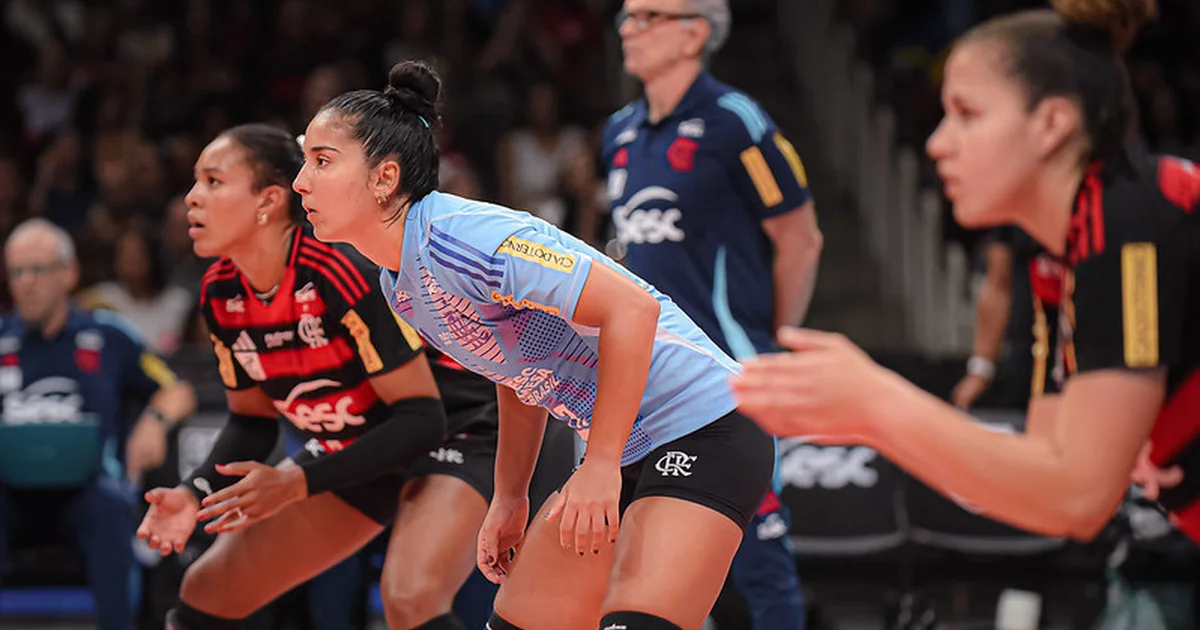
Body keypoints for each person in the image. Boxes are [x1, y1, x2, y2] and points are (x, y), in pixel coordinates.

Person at [293, 59, 775, 630]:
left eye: (321, 161)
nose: (301, 181)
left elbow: (632, 309)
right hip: (623, 451)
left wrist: (597, 468)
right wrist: (510, 495)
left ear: (384, 178)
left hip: (707, 429)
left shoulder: (464, 237)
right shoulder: (400, 283)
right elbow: (513, 368)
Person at [732, 0, 1200, 542]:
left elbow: (1079, 497)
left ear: (1050, 123)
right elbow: (1044, 485)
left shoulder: (1127, 220)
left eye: (966, 114)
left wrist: (877, 402)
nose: (937, 144)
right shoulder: (1061, 258)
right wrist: (869, 418)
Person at [136, 123, 500, 630]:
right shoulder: (219, 293)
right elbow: (253, 421)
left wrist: (295, 481)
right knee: (207, 590)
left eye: (214, 182)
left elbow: (420, 418)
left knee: (410, 597)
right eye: (195, 182)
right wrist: (193, 491)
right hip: (359, 443)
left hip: (453, 428)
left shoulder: (338, 270)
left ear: (268, 200)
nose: (191, 199)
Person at [603, 2, 821, 628]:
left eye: (648, 16)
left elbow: (802, 239)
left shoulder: (735, 121)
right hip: (641, 374)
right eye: (626, 15)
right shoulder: (618, 131)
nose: (627, 28)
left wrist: (771, 344)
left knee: (758, 559)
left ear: (695, 32)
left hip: (730, 374)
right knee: (640, 556)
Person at [0, 218, 196, 630]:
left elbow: (178, 390)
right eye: (17, 271)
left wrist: (154, 421)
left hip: (88, 494)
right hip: (10, 494)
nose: (27, 283)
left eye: (39, 269)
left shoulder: (108, 335)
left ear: (68, 274)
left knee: (111, 507)